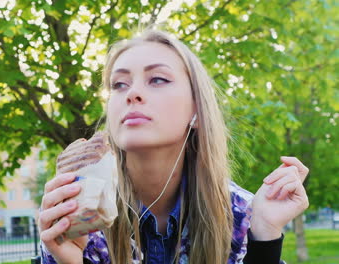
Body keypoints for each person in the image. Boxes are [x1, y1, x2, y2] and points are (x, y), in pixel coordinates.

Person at [38, 29, 309, 264]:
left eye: (157, 79)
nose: (132, 93)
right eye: (119, 84)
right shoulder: (78, 217)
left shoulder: (241, 215)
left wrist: (264, 236)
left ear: (197, 111)